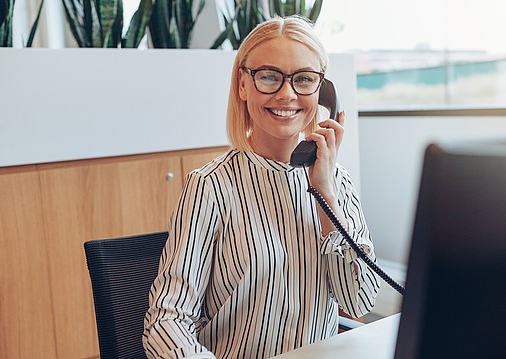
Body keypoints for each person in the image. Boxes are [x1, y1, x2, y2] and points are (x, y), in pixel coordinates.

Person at [142, 15, 381, 359]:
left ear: (323, 91)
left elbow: (359, 299)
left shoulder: (336, 182)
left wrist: (325, 193)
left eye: (303, 79)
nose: (287, 94)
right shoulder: (210, 186)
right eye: (269, 76)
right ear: (243, 84)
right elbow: (167, 322)